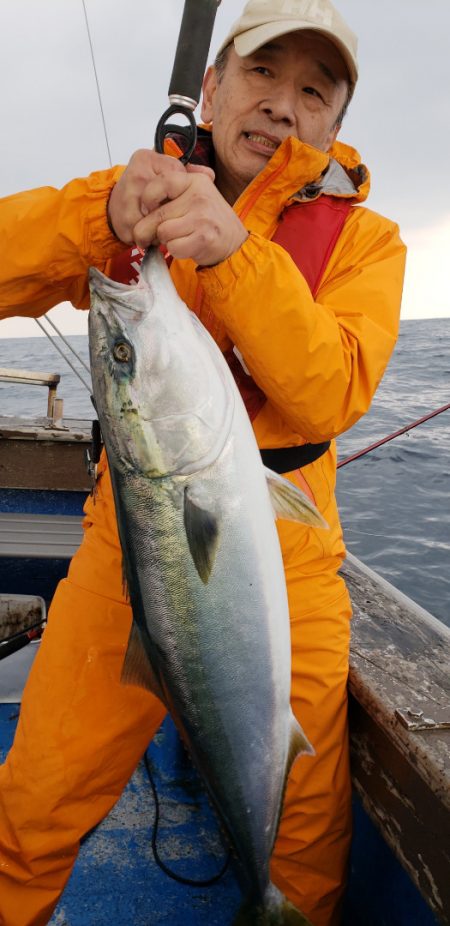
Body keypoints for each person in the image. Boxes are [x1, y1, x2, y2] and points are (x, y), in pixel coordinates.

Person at [0, 1, 406, 924]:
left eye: (314, 90)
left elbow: (331, 389)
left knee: (302, 839)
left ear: (335, 125)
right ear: (213, 88)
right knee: (33, 801)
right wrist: (93, 214)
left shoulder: (364, 242)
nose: (281, 105)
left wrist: (234, 253)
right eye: (262, 74)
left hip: (292, 572)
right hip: (130, 547)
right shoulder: (137, 200)